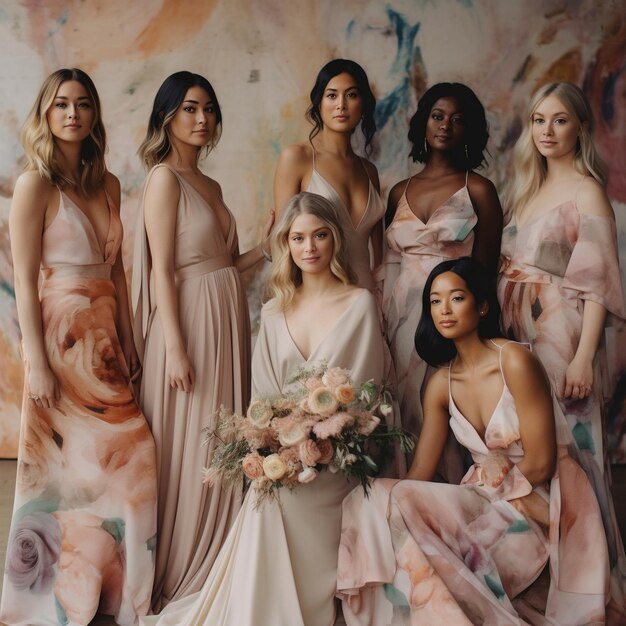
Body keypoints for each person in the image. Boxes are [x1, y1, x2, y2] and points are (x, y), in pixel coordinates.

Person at [140, 192, 387, 626]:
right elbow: (265, 399)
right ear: (285, 245)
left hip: (338, 460)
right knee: (267, 494)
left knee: (280, 498)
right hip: (289, 457)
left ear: (335, 242)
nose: (308, 248)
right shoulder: (274, 311)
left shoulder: (359, 304)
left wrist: (317, 443)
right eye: (297, 238)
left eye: (320, 235)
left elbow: (364, 394)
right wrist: (282, 450)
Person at [338, 257, 618, 625]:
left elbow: (541, 463)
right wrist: (382, 510)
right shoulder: (440, 384)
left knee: (413, 520)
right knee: (370, 496)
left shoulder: (515, 360)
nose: (444, 310)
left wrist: (480, 505)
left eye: (456, 298)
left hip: (543, 500)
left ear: (482, 305)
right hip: (481, 497)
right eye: (435, 301)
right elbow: (420, 472)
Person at [0, 69, 157, 626]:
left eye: (83, 104)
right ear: (45, 113)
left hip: (108, 335)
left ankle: (116, 595)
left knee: (129, 463)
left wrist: (132, 342)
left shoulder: (109, 184)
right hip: (60, 339)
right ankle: (47, 602)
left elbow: (117, 270)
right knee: (60, 475)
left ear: (94, 114)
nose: (72, 113)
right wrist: (35, 362)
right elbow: (23, 283)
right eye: (61, 104)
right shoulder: (34, 185)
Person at [131, 71, 273, 611]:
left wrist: (269, 242)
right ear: (168, 116)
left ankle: (217, 558)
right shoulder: (164, 179)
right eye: (190, 108)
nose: (203, 118)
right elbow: (162, 271)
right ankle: (181, 565)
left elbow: (227, 265)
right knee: (188, 446)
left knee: (219, 441)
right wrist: (174, 346)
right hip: (186, 323)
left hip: (225, 320)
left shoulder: (210, 186)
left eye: (209, 109)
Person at [498, 81, 626, 588]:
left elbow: (597, 284)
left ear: (580, 128)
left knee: (569, 448)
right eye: (538, 120)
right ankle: (540, 575)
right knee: (526, 444)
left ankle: (586, 578)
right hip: (516, 329)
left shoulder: (586, 189)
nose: (547, 131)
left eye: (560, 120)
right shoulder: (527, 188)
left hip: (559, 331)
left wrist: (583, 357)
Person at [383, 83, 503, 466]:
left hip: (452, 316)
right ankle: (408, 501)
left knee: (450, 414)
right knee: (404, 409)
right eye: (437, 116)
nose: (445, 126)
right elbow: (386, 265)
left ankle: (452, 506)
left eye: (458, 119)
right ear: (423, 122)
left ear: (469, 130)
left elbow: (484, 274)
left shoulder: (480, 190)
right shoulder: (398, 191)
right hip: (400, 318)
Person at [273, 59, 384, 291]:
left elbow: (379, 254)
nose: (341, 105)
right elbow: (282, 242)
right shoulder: (297, 158)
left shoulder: (369, 171)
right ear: (319, 103)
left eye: (351, 95)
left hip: (367, 295)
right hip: (317, 297)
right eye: (332, 95)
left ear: (363, 104)